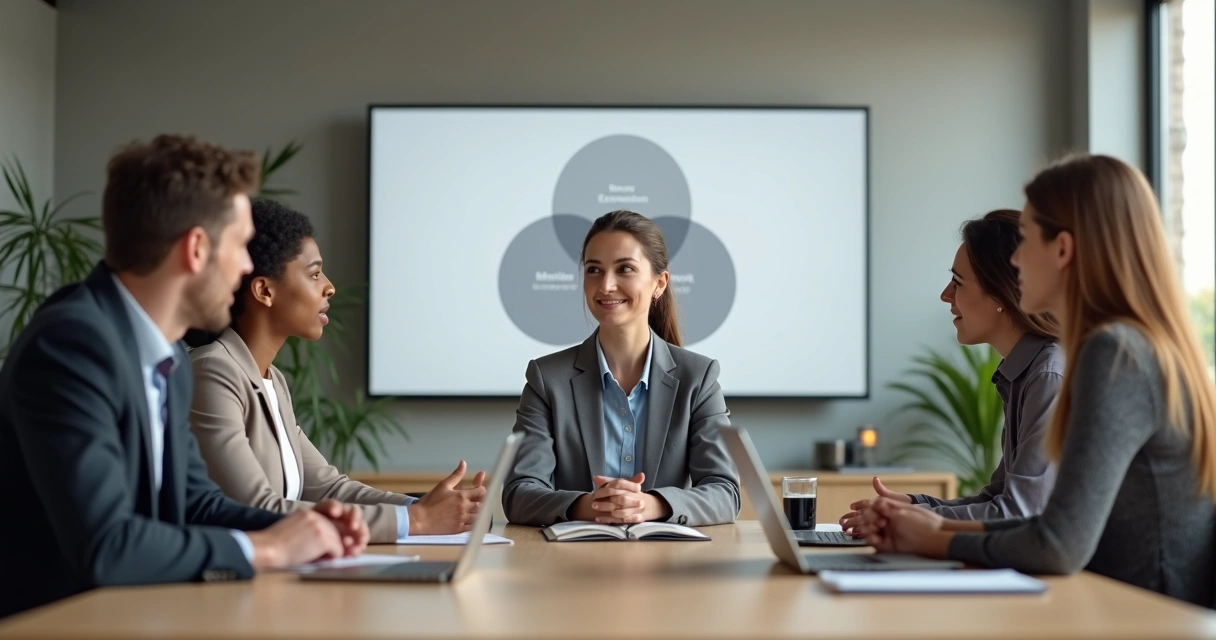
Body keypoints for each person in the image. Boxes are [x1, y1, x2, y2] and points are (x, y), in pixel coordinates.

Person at [0, 135, 368, 618]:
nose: (244, 269)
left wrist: (313, 529)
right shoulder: (70, 346)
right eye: (239, 247)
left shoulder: (166, 356)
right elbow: (108, 545)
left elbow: (199, 505)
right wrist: (270, 550)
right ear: (196, 249)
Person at [853, 154, 1216, 607]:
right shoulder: (1128, 347)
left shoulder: (1114, 354)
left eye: (1025, 240)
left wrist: (934, 536)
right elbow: (1048, 524)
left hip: (1144, 620)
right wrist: (929, 522)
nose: (1016, 259)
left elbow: (1058, 543)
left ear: (1062, 250)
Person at [186, 199, 485, 543]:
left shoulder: (271, 380)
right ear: (265, 290)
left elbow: (327, 487)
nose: (329, 286)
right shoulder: (213, 373)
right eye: (314, 274)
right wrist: (415, 520)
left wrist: (427, 508)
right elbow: (256, 508)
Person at [503, 210, 740, 527]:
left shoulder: (698, 378)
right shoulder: (547, 379)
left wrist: (650, 505)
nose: (606, 285)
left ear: (659, 283)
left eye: (625, 268)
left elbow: (725, 493)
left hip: (667, 563)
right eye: (594, 270)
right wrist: (592, 506)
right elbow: (519, 494)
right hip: (571, 563)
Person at [841, 210, 1062, 529]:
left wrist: (912, 518)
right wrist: (916, 506)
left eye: (957, 283)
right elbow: (997, 500)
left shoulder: (1048, 375)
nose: (945, 295)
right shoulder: (1026, 372)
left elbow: (1018, 513)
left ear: (1002, 292)